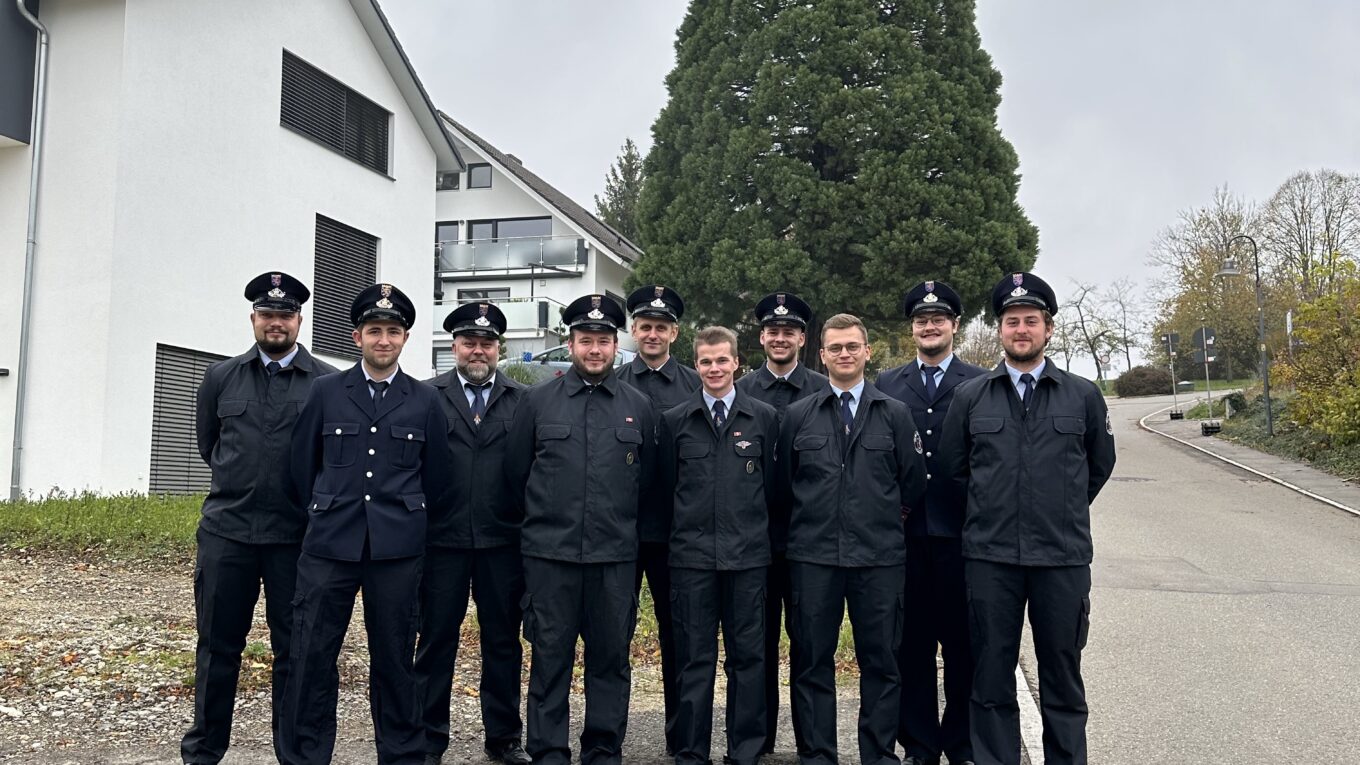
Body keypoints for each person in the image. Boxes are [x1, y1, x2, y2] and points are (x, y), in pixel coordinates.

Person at [937, 273, 1117, 765]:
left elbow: (1099, 467)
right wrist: (989, 516)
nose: (1021, 329)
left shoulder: (1082, 395)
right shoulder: (972, 397)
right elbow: (954, 473)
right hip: (991, 560)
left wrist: (1059, 513)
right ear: (999, 330)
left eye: (1030, 321)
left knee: (1062, 676)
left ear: (1049, 329)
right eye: (1012, 321)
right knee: (990, 675)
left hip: (1061, 559)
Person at [282, 283, 452, 765]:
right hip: (330, 545)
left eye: (393, 331)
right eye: (374, 330)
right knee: (312, 654)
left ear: (405, 339)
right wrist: (324, 511)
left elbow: (438, 478)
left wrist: (405, 519)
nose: (384, 340)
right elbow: (300, 469)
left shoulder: (424, 400)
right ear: (356, 337)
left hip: (396, 550)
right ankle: (306, 755)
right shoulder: (326, 391)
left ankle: (400, 754)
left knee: (396, 660)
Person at [182, 273, 337, 765]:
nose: (276, 323)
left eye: (285, 315)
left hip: (295, 539)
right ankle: (204, 752)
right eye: (267, 315)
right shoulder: (221, 377)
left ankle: (296, 755)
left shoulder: (327, 383)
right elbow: (212, 446)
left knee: (297, 652)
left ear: (299, 320)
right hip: (228, 535)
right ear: (254, 319)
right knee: (217, 649)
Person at [504, 294, 659, 765]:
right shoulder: (537, 402)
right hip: (551, 559)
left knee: (611, 662)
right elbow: (515, 477)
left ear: (617, 346)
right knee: (550, 660)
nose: (595, 350)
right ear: (570, 343)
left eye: (604, 341)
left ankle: (602, 749)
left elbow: (648, 483)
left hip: (613, 561)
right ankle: (549, 750)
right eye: (586, 340)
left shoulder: (639, 406)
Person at [778, 313, 928, 765]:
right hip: (814, 558)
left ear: (867, 352)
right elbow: (783, 485)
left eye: (852, 347)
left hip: (878, 559)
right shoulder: (798, 415)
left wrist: (883, 518)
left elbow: (913, 482)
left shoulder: (894, 414)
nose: (844, 354)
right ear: (821, 355)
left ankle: (878, 755)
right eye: (835, 348)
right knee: (811, 664)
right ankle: (818, 755)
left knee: (881, 664)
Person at [658, 326, 779, 765]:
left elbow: (774, 488)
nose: (714, 368)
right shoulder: (675, 421)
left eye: (722, 360)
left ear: (737, 363)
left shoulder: (763, 417)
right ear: (696, 365)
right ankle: (691, 751)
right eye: (706, 361)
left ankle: (744, 751)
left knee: (748, 661)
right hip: (691, 562)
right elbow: (665, 490)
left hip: (748, 561)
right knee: (694, 660)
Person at [415, 302, 530, 765]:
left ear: (499, 348)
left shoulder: (523, 402)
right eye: (468, 343)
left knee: (503, 641)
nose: (477, 350)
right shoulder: (425, 396)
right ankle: (427, 738)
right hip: (440, 542)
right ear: (454, 347)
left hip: (503, 543)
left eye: (486, 343)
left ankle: (504, 738)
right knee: (435, 640)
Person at [876, 281, 986, 765]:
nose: (929, 326)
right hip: (904, 536)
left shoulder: (981, 381)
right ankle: (920, 745)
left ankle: (960, 744)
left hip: (962, 535)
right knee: (911, 648)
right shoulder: (887, 384)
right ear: (912, 328)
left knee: (963, 648)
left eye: (939, 319)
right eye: (921, 320)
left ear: (955, 325)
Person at [733, 291, 828, 755]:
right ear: (762, 336)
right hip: (755, 541)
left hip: (811, 540)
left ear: (802, 338)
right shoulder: (742, 392)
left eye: (788, 331)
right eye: (772, 331)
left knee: (809, 645)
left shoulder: (822, 390)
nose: (779, 338)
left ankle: (812, 745)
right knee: (757, 645)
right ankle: (760, 739)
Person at [615, 285, 701, 754]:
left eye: (660, 327)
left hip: (676, 534)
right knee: (615, 637)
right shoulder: (612, 381)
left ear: (674, 332)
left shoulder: (695, 385)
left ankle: (681, 739)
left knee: (680, 638)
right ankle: (612, 739)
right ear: (633, 330)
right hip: (622, 532)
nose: (652, 334)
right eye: (644, 326)